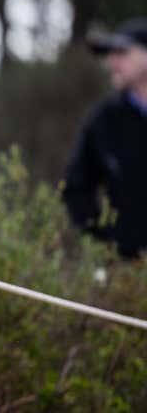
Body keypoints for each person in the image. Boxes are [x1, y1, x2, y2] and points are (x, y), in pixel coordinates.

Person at [63, 17, 147, 259]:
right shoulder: (105, 119)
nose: (112, 62)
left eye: (122, 52)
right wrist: (106, 242)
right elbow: (76, 188)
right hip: (126, 271)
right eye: (110, 54)